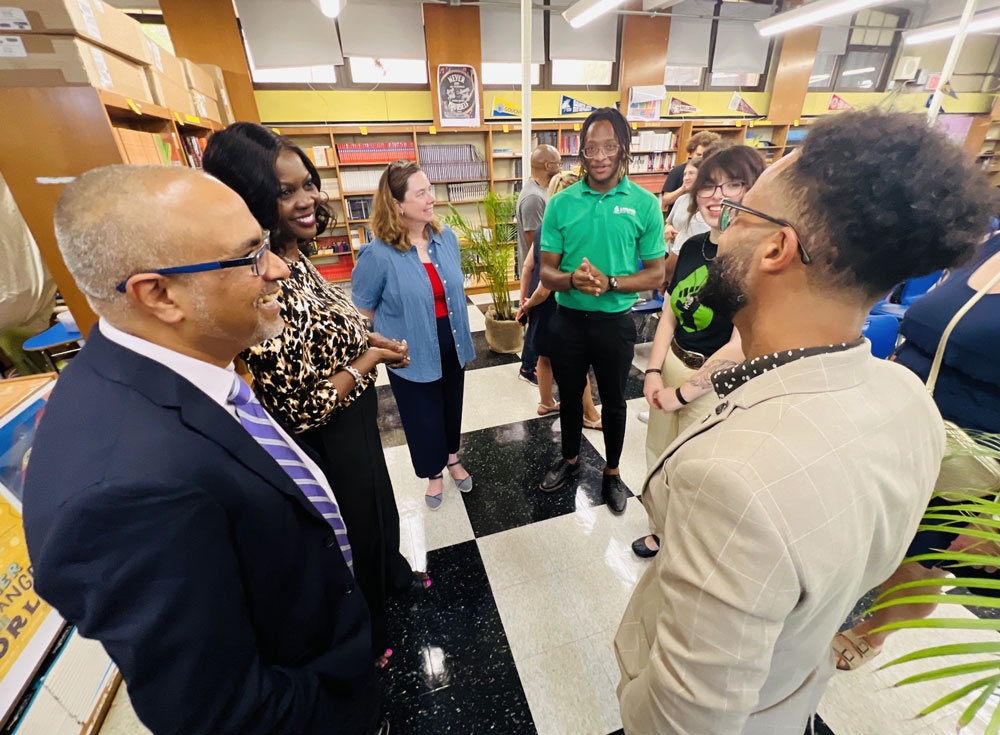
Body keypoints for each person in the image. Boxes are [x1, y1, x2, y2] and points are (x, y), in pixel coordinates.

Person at [614, 109, 992, 735]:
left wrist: (632, 702)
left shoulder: (734, 483)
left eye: (741, 214)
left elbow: (682, 720)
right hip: (790, 693)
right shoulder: (906, 397)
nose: (722, 225)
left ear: (776, 247)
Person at [23, 165, 387, 735]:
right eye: (248, 257)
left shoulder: (182, 365)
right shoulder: (123, 495)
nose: (279, 268)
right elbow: (223, 714)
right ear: (159, 294)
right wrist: (345, 706)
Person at [202, 123, 427, 672]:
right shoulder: (257, 277)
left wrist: (366, 339)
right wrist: (369, 360)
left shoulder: (292, 252)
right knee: (350, 535)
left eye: (308, 184)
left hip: (354, 420)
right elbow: (299, 405)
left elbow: (328, 324)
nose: (307, 200)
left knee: (378, 514)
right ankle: (368, 642)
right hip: (323, 435)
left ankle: (391, 576)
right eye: (286, 192)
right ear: (249, 195)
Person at [832, 228, 1000, 670]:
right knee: (864, 528)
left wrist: (995, 517)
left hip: (970, 457)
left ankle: (876, 631)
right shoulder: (987, 242)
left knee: (921, 556)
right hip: (895, 422)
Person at [633, 146, 763, 559]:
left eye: (733, 184)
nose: (716, 195)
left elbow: (741, 343)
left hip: (716, 385)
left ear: (754, 190)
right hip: (671, 363)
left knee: (697, 469)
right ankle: (659, 527)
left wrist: (684, 392)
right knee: (658, 455)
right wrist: (653, 371)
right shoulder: (691, 248)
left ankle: (686, 544)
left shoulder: (758, 260)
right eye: (709, 184)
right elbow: (670, 312)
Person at [538, 106, 665, 512]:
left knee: (613, 400)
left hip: (615, 323)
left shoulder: (644, 204)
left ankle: (612, 472)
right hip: (568, 321)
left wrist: (610, 282)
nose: (600, 155)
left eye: (609, 146)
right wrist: (572, 280)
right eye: (591, 147)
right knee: (571, 395)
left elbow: (655, 274)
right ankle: (570, 458)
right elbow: (546, 271)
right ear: (580, 151)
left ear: (624, 148)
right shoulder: (561, 203)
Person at [351, 160, 475, 510]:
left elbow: (453, 288)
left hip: (451, 338)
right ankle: (433, 472)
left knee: (451, 406)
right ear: (397, 204)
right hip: (410, 346)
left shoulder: (445, 237)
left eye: (430, 189)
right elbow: (365, 308)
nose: (431, 198)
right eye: (421, 193)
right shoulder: (377, 254)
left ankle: (452, 458)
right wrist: (396, 331)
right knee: (423, 417)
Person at [517, 170, 602, 428]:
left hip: (540, 304)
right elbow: (546, 286)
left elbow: (528, 265)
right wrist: (531, 302)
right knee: (578, 360)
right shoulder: (572, 231)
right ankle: (590, 415)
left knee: (544, 355)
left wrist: (523, 301)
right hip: (557, 303)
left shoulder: (546, 227)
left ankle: (545, 402)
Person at [517, 144, 561, 385]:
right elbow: (535, 240)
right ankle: (528, 367)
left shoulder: (542, 191)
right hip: (537, 270)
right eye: (559, 162)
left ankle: (532, 363)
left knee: (539, 321)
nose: (561, 167)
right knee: (537, 321)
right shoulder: (535, 197)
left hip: (540, 269)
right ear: (548, 166)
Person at [661, 154, 709, 285]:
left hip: (689, 266)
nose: (686, 177)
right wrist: (668, 228)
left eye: (691, 173)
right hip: (670, 255)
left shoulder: (706, 206)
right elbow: (669, 223)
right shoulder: (682, 199)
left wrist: (662, 278)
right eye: (685, 174)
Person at [659, 131, 721, 211]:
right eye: (698, 155)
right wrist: (683, 188)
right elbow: (666, 200)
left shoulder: (718, 173)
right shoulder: (678, 171)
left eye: (706, 155)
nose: (701, 158)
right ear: (691, 153)